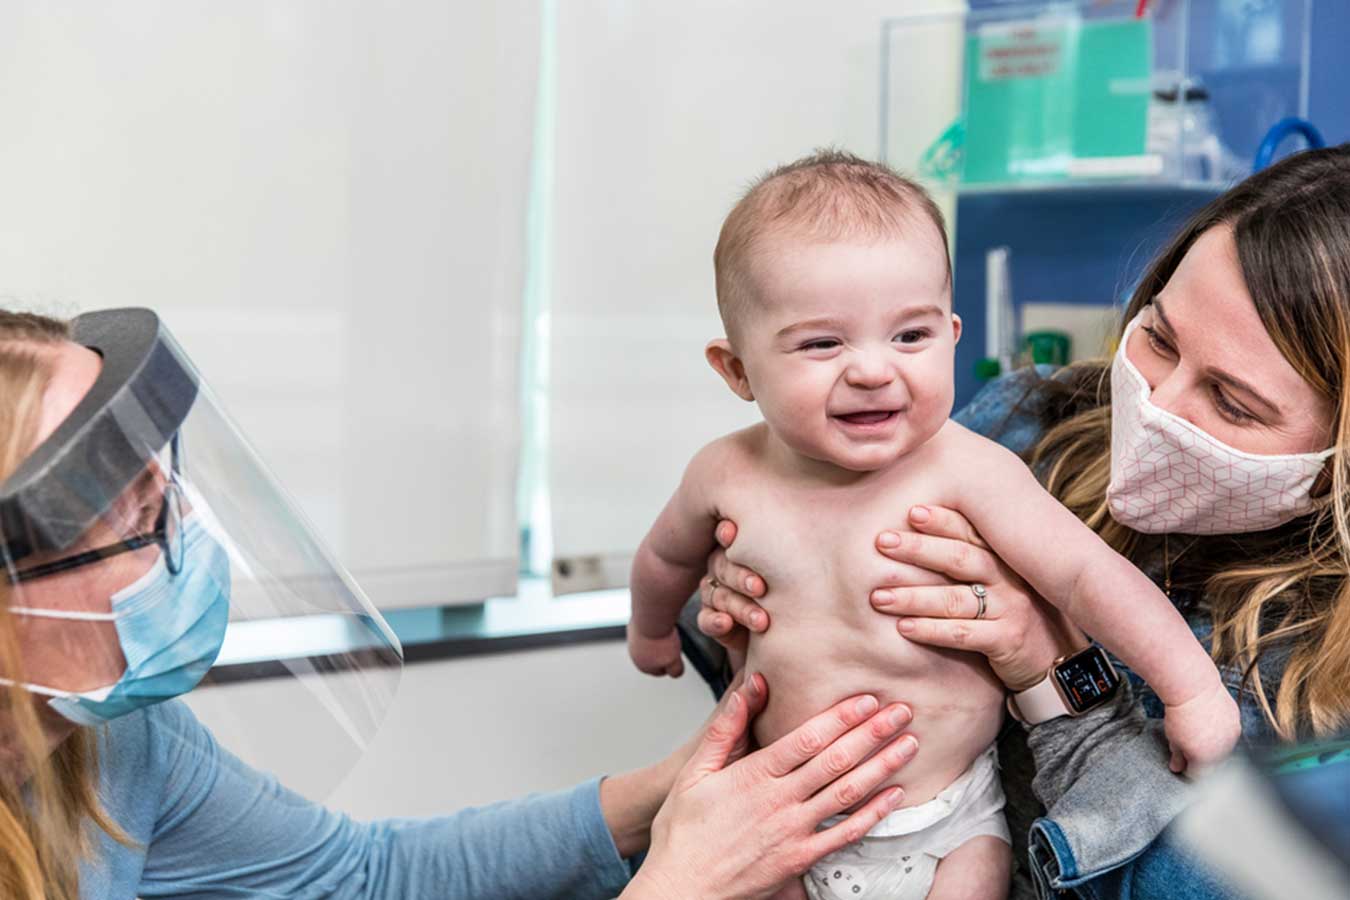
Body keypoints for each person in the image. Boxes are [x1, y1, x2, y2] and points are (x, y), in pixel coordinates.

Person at [0, 308, 924, 900]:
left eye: (159, 478)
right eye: (114, 505)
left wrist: (662, 796)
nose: (177, 523)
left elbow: (363, 879)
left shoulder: (106, 742)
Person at [693, 143, 1350, 899]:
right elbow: (732, 677)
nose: (1156, 404)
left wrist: (1054, 676)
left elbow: (1176, 885)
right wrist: (749, 576)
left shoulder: (1314, 674)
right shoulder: (1019, 418)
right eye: (1159, 338)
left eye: (1233, 403)